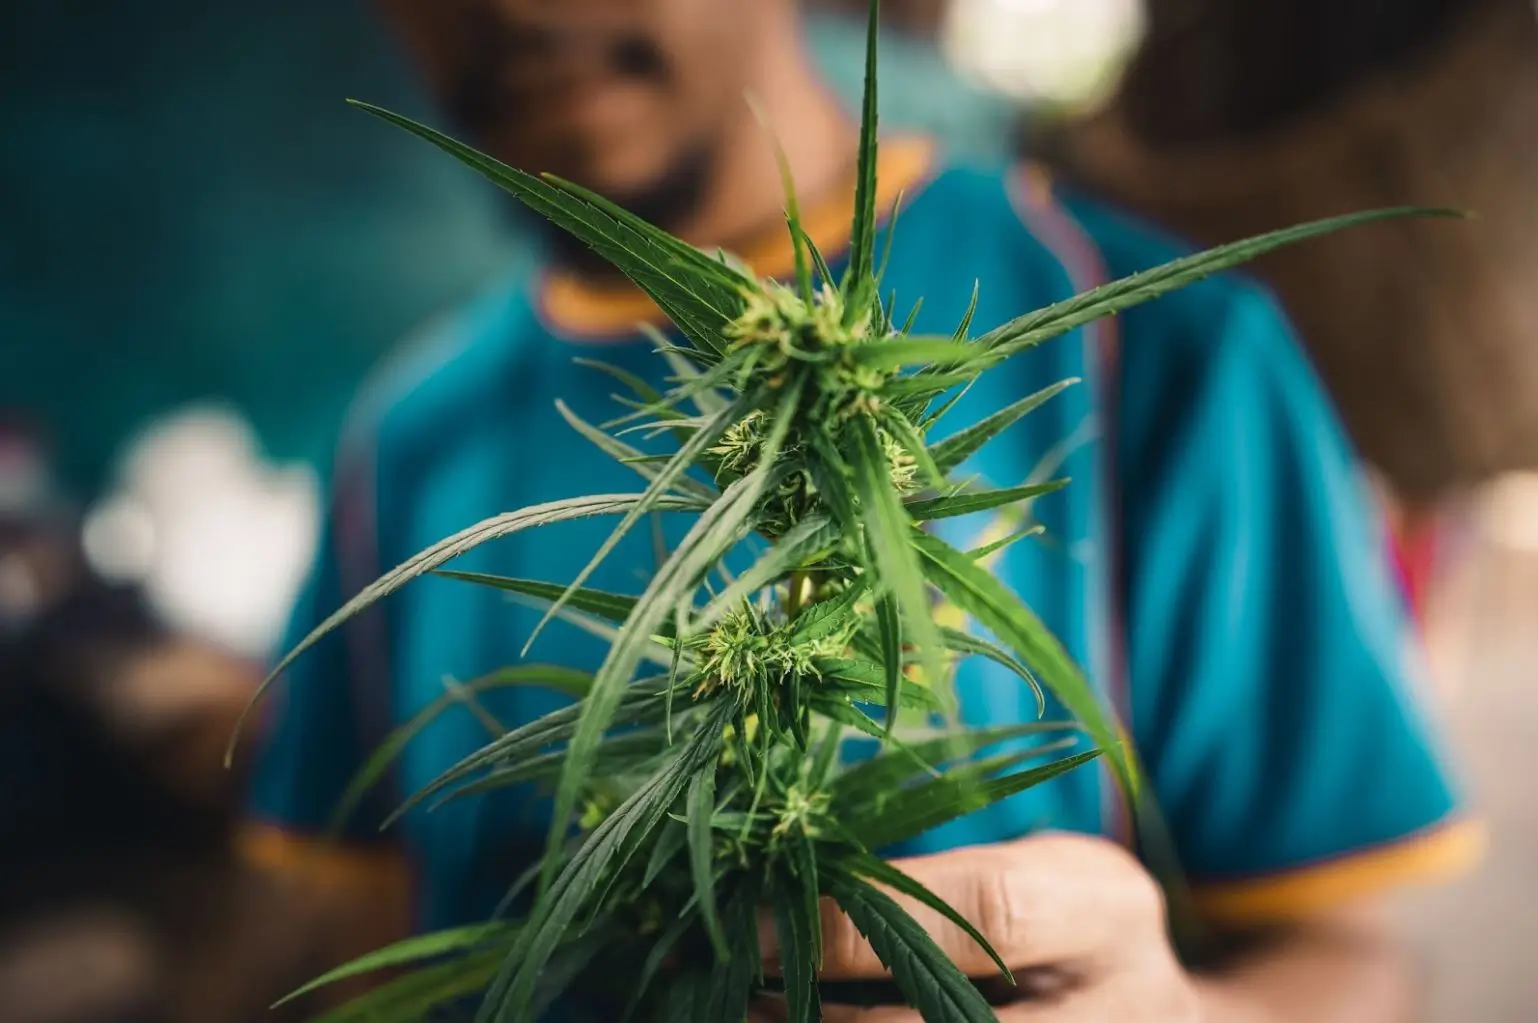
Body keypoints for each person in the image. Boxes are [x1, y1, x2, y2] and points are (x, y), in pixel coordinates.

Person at [242, 1, 1482, 1019]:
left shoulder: (1161, 350)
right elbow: (354, 944)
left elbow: (1353, 961)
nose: (504, 10)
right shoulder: (399, 437)